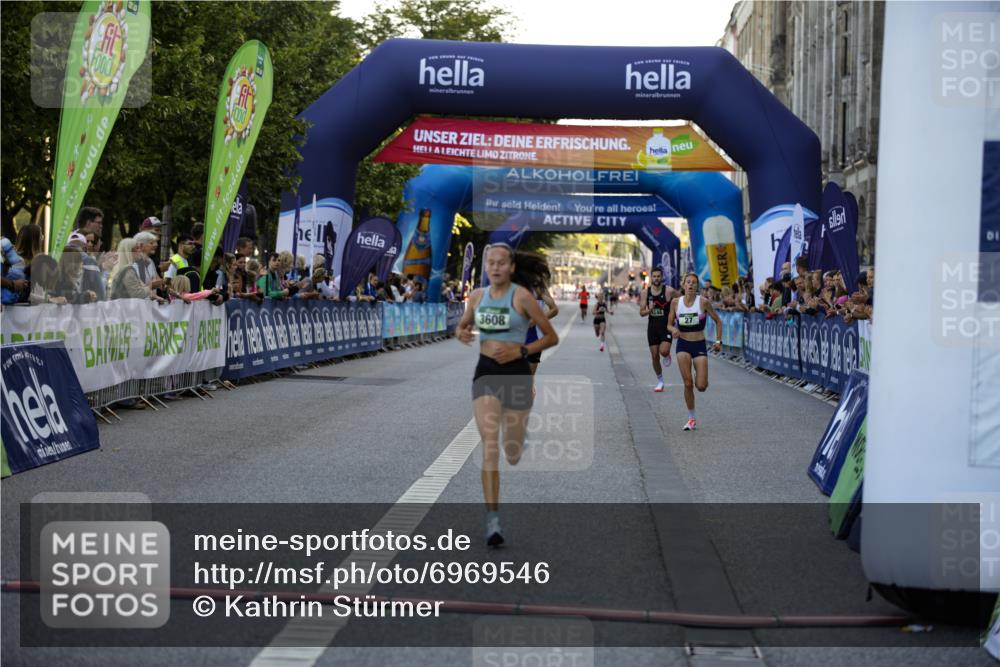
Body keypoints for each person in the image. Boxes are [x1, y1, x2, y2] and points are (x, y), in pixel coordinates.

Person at [455, 243, 559, 547]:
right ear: (486, 267)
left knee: (511, 453)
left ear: (511, 268)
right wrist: (462, 333)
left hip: (516, 373)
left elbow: (551, 336)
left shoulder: (523, 297)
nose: (496, 268)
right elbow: (463, 327)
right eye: (491, 263)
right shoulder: (476, 297)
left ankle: (519, 436)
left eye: (502, 263)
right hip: (486, 372)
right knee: (489, 445)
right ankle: (492, 521)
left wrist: (522, 349)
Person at [667, 273, 723, 431]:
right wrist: (673, 330)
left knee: (701, 386)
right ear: (683, 285)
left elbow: (718, 321)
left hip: (699, 345)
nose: (691, 285)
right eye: (688, 282)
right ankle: (691, 418)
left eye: (694, 283)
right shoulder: (675, 303)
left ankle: (701, 377)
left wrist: (718, 341)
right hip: (683, 345)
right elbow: (669, 324)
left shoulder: (703, 302)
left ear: (697, 286)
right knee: (687, 383)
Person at [638, 266, 676, 392]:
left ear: (662, 277)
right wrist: (650, 309)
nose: (656, 279)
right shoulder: (645, 293)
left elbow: (680, 300)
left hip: (666, 327)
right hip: (652, 327)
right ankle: (660, 381)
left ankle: (666, 355)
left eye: (658, 276)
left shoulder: (669, 291)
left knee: (663, 351)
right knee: (654, 356)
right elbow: (641, 313)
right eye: (654, 276)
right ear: (651, 278)